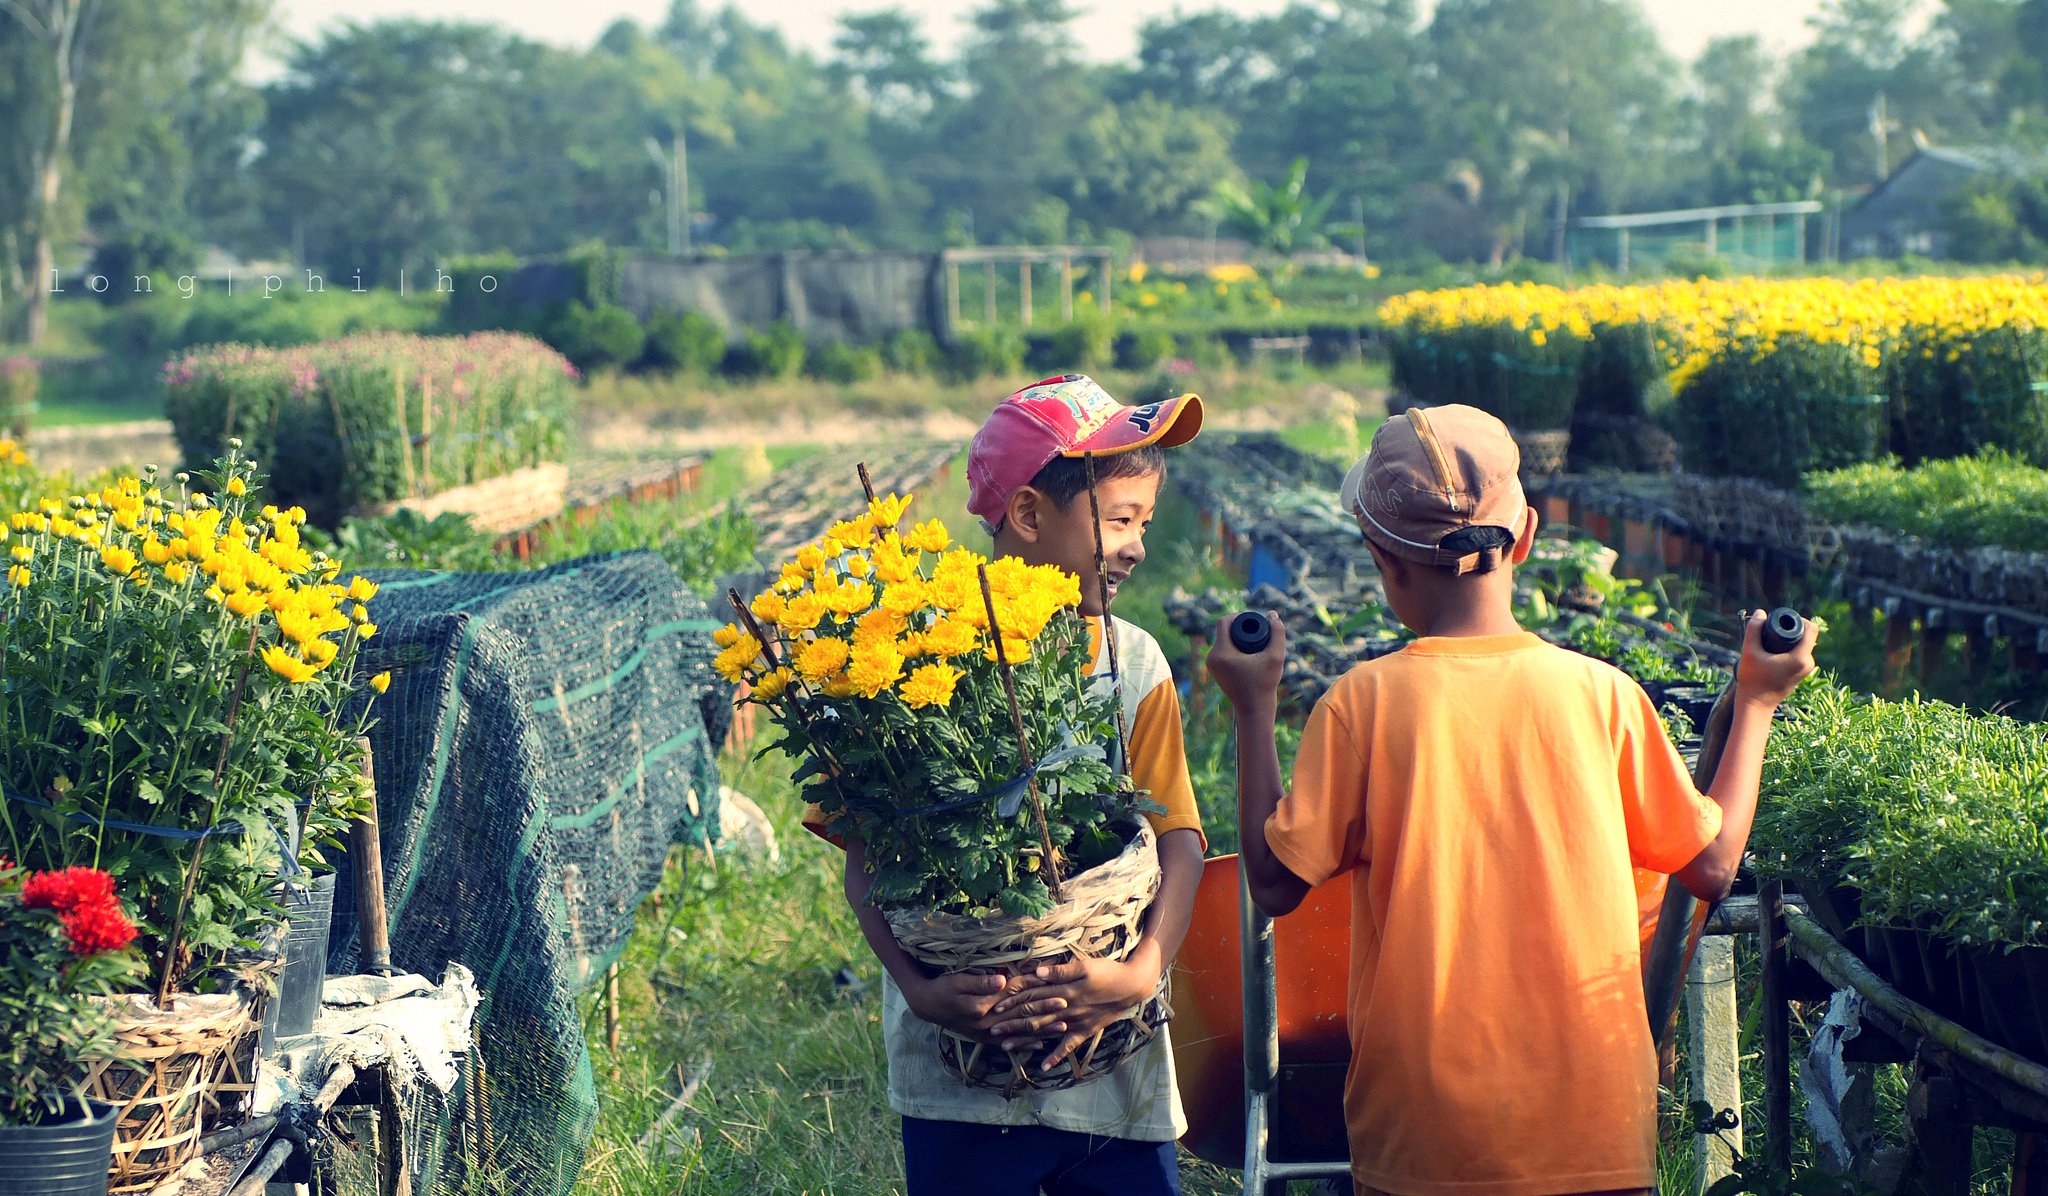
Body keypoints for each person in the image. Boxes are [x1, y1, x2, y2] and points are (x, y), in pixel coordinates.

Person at [1206, 404, 1817, 1196]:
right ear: (1526, 536)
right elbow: (1711, 865)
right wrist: (1758, 702)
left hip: (1423, 1136)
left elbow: (1276, 884)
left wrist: (1253, 707)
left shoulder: (1363, 706)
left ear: (1381, 560)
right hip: (1592, 1125)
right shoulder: (1604, 697)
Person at [806, 374, 1208, 1196]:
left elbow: (1179, 839)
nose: (1137, 545)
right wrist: (919, 990)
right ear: (1028, 516)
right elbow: (866, 862)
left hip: (1112, 1064)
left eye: (1146, 523)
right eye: (1122, 519)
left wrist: (1141, 971)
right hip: (960, 1075)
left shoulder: (1133, 664)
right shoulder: (908, 667)